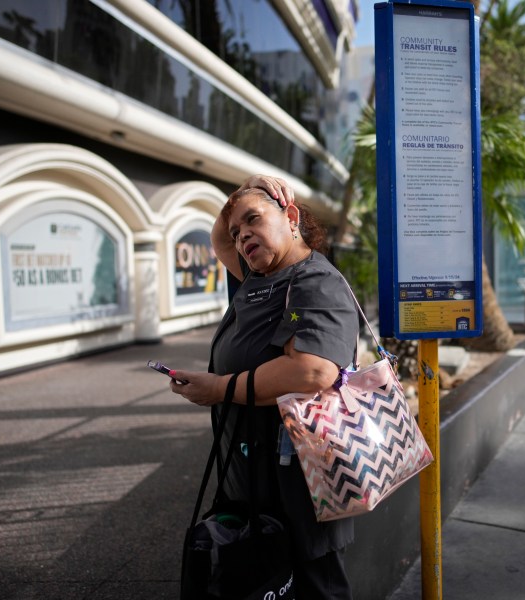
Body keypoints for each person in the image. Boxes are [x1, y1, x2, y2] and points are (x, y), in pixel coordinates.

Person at [169, 175, 358, 599]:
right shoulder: (256, 278)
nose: (241, 237)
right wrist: (247, 188)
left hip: (302, 488)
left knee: (315, 588)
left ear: (290, 217)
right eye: (238, 232)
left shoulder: (317, 282)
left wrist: (219, 388)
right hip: (253, 480)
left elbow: (312, 372)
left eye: (254, 220)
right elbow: (219, 239)